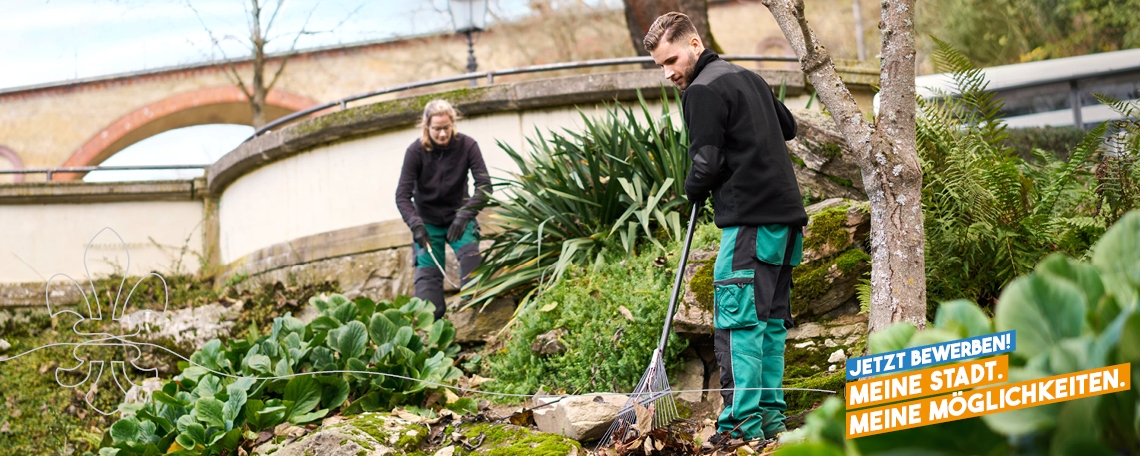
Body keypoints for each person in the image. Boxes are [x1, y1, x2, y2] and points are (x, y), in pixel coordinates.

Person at [645, 12, 807, 442]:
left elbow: (707, 163)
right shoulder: (748, 77)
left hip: (750, 223)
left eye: (671, 60)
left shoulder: (701, 90)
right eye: (661, 65)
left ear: (695, 44)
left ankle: (739, 426)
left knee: (738, 325)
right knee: (769, 323)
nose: (668, 74)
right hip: (786, 222)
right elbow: (788, 127)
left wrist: (692, 189)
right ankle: (769, 421)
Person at [395, 99, 492, 320]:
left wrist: (464, 215)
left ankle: (477, 323)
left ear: (453, 124)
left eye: (446, 128)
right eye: (437, 129)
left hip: (459, 219)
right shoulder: (415, 152)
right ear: (426, 127)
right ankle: (435, 333)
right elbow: (402, 196)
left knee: (473, 275)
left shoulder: (467, 146)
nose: (442, 134)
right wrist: (416, 225)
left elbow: (485, 186)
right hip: (427, 224)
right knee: (428, 301)